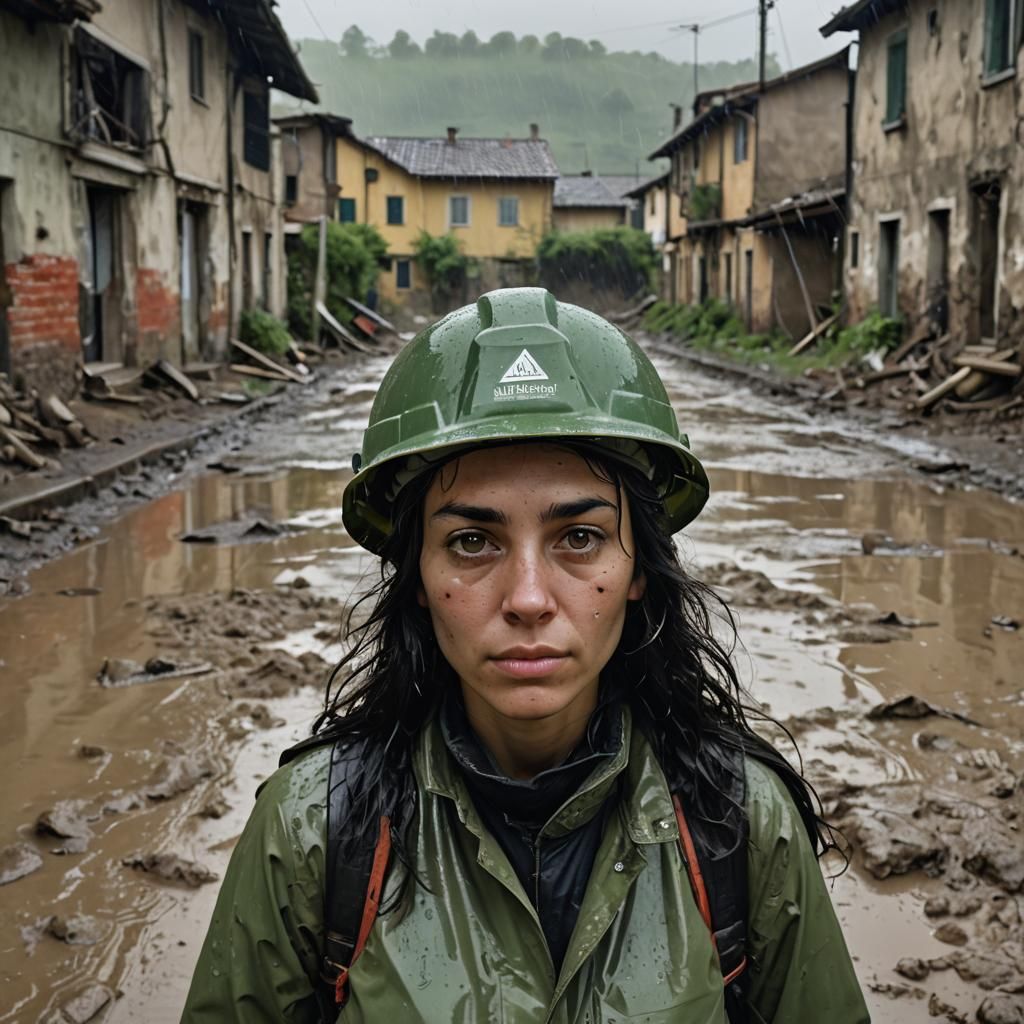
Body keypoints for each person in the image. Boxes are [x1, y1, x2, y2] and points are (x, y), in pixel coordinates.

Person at [182, 288, 869, 1023]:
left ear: (638, 569)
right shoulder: (312, 829)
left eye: (580, 537)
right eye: (473, 541)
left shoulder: (738, 822)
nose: (530, 598)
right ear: (419, 578)